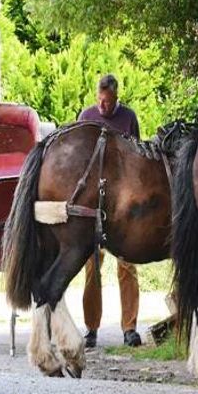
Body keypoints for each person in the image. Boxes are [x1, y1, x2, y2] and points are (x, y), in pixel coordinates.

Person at [76, 74, 142, 348]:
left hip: (122, 202)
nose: (102, 106)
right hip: (95, 201)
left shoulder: (128, 118)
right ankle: (91, 328)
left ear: (116, 98)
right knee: (92, 266)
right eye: (99, 100)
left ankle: (130, 328)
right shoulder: (86, 116)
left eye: (107, 101)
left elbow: (138, 156)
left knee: (127, 264)